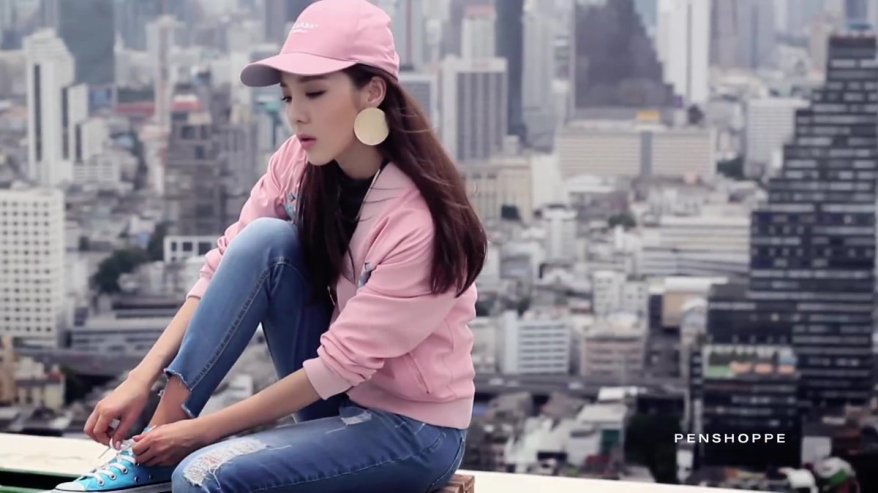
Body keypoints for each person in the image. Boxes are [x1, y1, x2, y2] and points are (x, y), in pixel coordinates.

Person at [51, 1, 486, 492]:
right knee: (265, 242)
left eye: (315, 92)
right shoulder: (299, 164)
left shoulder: (420, 221)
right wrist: (140, 379)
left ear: (373, 92)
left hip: (412, 433)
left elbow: (339, 365)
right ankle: (151, 449)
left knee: (203, 475)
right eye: (287, 96)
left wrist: (201, 434)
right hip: (337, 403)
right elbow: (224, 270)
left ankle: (166, 447)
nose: (297, 114)